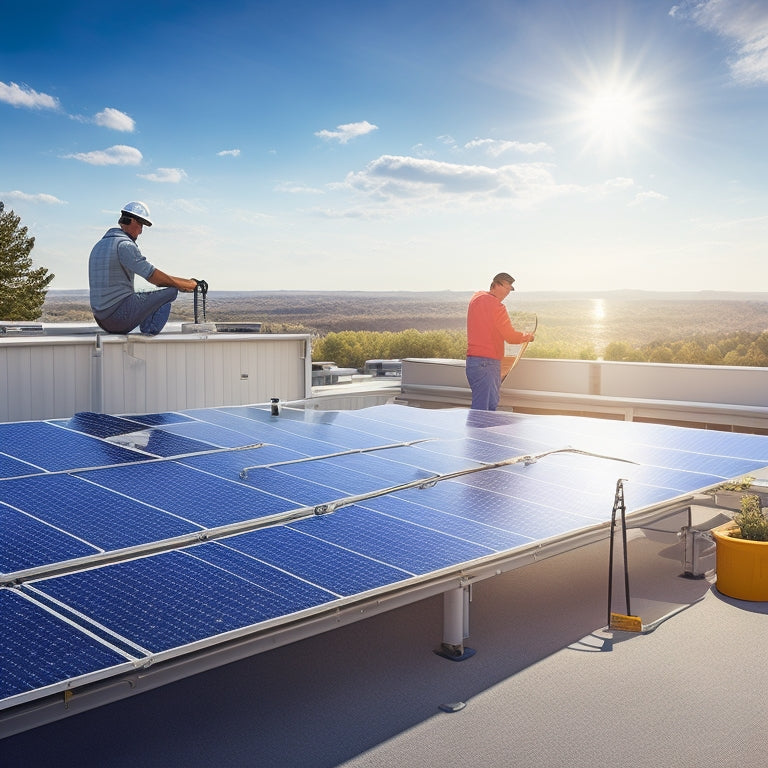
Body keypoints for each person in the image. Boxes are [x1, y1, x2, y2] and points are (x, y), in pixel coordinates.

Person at [88, 201, 199, 335]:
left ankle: (146, 325)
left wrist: (185, 283)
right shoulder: (124, 245)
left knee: (150, 291)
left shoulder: (100, 245)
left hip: (102, 319)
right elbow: (154, 277)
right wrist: (190, 284)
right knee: (170, 290)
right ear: (131, 221)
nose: (140, 231)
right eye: (140, 225)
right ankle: (149, 329)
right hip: (117, 318)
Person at [465, 272, 534, 411]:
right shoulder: (496, 306)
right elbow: (510, 337)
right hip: (488, 363)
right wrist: (527, 337)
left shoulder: (476, 298)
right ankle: (479, 433)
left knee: (479, 406)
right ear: (496, 284)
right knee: (486, 410)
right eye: (506, 287)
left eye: (510, 290)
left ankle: (476, 432)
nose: (508, 292)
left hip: (473, 363)